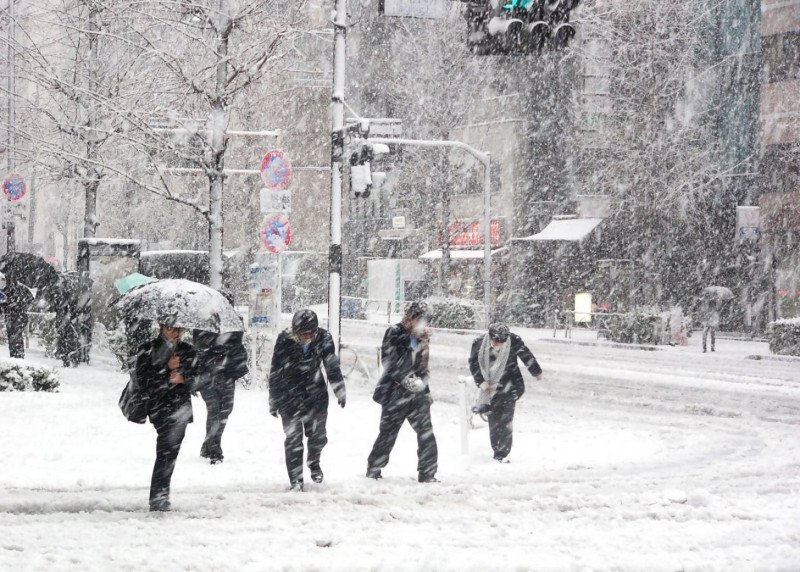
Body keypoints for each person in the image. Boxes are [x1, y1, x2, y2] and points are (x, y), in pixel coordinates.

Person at [269, 310, 345, 491]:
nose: (305, 337)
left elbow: (331, 365)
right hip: (289, 395)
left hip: (315, 394)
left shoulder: (324, 338)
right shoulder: (284, 339)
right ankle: (296, 479)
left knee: (318, 436)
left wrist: (339, 389)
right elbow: (276, 370)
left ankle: (314, 461)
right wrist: (273, 398)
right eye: (301, 334)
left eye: (309, 334)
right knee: (293, 439)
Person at [366, 301, 438, 483]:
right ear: (410, 318)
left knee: (426, 433)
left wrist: (423, 386)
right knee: (388, 434)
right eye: (420, 321)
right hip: (395, 393)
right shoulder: (395, 332)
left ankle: (428, 473)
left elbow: (423, 366)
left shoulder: (423, 338)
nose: (424, 325)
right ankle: (374, 469)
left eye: (426, 322)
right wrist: (407, 379)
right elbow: (389, 361)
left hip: (418, 394)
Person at [135, 323, 197, 512]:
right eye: (171, 329)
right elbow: (142, 380)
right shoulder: (148, 349)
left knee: (169, 453)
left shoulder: (188, 350)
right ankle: (159, 496)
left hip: (180, 409)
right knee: (166, 452)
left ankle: (160, 495)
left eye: (180, 330)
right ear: (162, 327)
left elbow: (201, 378)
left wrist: (184, 378)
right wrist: (165, 369)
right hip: (159, 407)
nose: (176, 334)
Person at [468, 323, 542, 463]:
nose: (499, 344)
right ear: (490, 336)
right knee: (494, 420)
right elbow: (473, 363)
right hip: (490, 388)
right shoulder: (478, 343)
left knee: (506, 420)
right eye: (496, 340)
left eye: (502, 341)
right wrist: (481, 381)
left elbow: (526, 355)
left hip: (510, 385)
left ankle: (503, 453)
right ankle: (497, 450)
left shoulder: (513, 340)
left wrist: (536, 371)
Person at [194, 329, 248, 464]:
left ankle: (208, 446)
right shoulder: (204, 323)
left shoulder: (232, 323)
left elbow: (239, 349)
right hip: (207, 376)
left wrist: (230, 358)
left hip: (227, 375)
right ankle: (215, 451)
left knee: (225, 411)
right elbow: (198, 350)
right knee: (214, 410)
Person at [1, 275, 33, 359]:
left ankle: (18, 355)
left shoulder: (20, 288)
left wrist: (19, 304)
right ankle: (15, 355)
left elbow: (30, 299)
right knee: (13, 337)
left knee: (16, 337)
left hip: (18, 316)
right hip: (12, 316)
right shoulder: (7, 289)